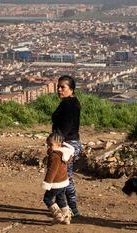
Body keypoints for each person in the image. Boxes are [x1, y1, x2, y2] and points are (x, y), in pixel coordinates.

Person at [51, 75, 83, 218]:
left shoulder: (69, 104)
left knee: (63, 178)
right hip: (69, 143)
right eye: (58, 86)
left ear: (71, 89)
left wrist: (56, 144)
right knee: (62, 177)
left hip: (66, 145)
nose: (59, 89)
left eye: (62, 87)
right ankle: (66, 207)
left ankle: (72, 209)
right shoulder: (71, 102)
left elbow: (66, 126)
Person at [42, 132, 75, 224]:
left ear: (59, 145)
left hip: (56, 183)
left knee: (47, 199)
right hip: (63, 182)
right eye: (47, 144)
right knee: (61, 199)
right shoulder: (64, 153)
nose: (48, 146)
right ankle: (67, 217)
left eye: (51, 145)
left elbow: (52, 170)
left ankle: (58, 215)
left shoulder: (55, 156)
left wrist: (47, 183)